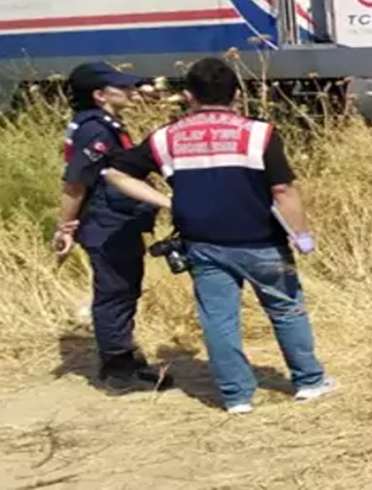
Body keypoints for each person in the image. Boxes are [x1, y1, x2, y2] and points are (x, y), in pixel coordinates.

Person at [102, 57, 334, 414]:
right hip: (262, 241)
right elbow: (283, 189)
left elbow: (116, 173)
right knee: (287, 310)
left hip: (202, 243)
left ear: (188, 96)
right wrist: (301, 234)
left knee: (219, 319)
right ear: (237, 95)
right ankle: (309, 381)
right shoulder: (260, 133)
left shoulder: (165, 138)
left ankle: (236, 396)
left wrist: (167, 202)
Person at [53, 62, 174, 394]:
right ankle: (118, 370)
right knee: (114, 292)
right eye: (124, 87)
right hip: (106, 224)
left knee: (124, 288)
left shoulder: (103, 123)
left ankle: (126, 358)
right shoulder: (96, 130)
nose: (133, 91)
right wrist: (65, 227)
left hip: (115, 221)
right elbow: (75, 184)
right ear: (100, 95)